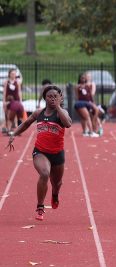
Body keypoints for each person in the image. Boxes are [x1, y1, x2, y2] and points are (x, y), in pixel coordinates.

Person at [6, 85, 72, 221]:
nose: (53, 99)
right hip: (40, 152)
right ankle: (40, 206)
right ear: (45, 98)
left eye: (55, 96)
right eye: (50, 96)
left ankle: (54, 194)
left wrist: (59, 107)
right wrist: (14, 133)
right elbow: (26, 124)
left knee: (57, 183)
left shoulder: (62, 113)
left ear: (60, 98)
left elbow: (68, 124)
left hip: (57, 154)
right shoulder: (38, 113)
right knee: (44, 173)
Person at [2, 69, 24, 135]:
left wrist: (20, 101)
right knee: (8, 114)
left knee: (15, 115)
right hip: (8, 100)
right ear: (9, 74)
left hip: (16, 100)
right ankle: (8, 129)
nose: (13, 75)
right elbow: (4, 92)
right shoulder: (6, 82)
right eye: (12, 74)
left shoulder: (17, 82)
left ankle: (16, 129)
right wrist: (4, 101)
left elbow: (19, 91)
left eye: (14, 74)